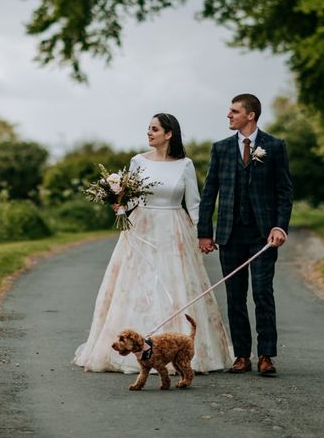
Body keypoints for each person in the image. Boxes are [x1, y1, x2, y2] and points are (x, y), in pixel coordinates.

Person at [73, 113, 233, 374]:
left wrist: (202, 234)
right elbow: (131, 198)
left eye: (155, 129)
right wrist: (120, 207)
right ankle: (129, 350)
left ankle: (180, 350)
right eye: (148, 128)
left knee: (175, 282)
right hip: (141, 229)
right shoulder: (137, 161)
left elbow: (193, 203)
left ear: (169, 134)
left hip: (174, 229)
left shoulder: (185, 164)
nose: (149, 133)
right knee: (136, 283)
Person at [198, 94, 293, 376]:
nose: (229, 115)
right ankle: (241, 355)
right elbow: (209, 193)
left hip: (263, 235)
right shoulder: (221, 149)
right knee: (235, 296)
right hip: (229, 234)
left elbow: (284, 192)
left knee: (263, 293)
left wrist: (280, 227)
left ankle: (266, 355)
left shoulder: (274, 146)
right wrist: (205, 232)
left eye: (234, 111)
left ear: (250, 115)